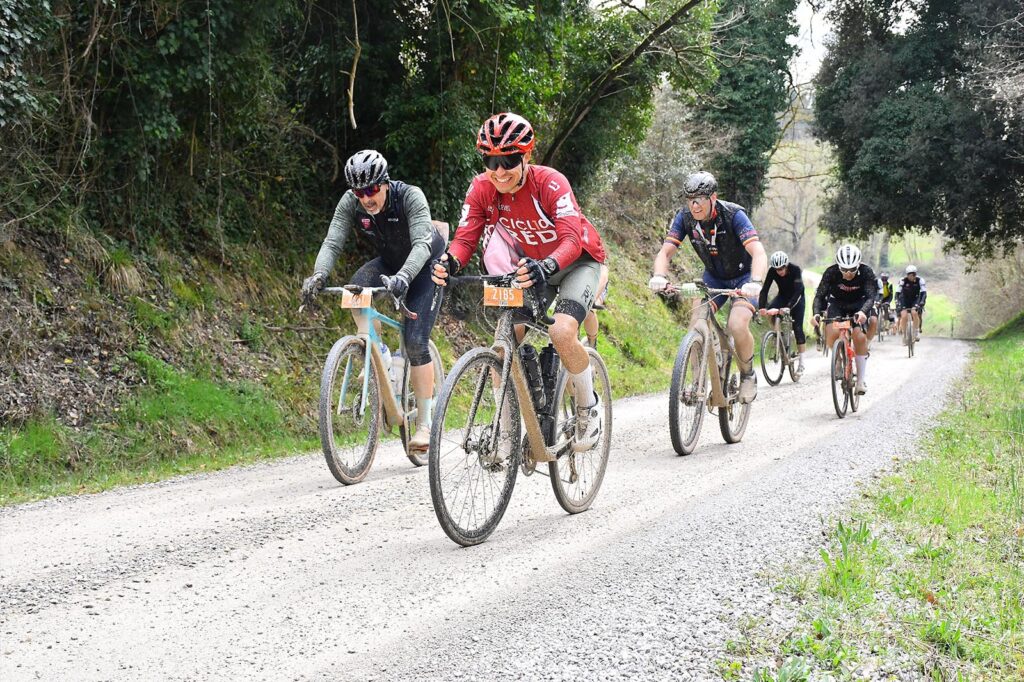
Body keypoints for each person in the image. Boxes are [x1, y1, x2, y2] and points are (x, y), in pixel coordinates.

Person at [431, 112, 608, 452]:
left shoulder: (550, 182)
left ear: (527, 156)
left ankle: (588, 408)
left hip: (579, 262)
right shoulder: (482, 188)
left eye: (509, 160)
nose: (499, 171)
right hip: (531, 267)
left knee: (560, 332)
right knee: (504, 339)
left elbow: (571, 239)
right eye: (491, 161)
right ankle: (508, 432)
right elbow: (466, 238)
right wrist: (449, 261)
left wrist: (547, 265)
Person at [301, 150, 445, 451]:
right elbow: (333, 240)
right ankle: (378, 351)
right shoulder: (351, 202)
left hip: (425, 267)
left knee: (416, 342)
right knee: (355, 291)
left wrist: (404, 277)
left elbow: (421, 244)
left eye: (371, 190)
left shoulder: (409, 196)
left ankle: (425, 426)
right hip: (390, 262)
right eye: (359, 192)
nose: (366, 198)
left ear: (385, 183)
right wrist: (318, 276)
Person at [648, 171, 767, 403]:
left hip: (744, 277)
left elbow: (758, 252)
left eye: (699, 199)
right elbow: (666, 252)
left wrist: (756, 282)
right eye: (689, 199)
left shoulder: (734, 215)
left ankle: (747, 375)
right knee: (696, 321)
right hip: (713, 278)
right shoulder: (685, 217)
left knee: (736, 323)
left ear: (713, 197)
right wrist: (659, 275)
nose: (694, 205)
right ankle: (696, 382)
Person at [811, 244, 878, 394]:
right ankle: (838, 358)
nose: (848, 273)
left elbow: (871, 296)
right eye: (844, 270)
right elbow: (820, 296)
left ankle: (860, 381)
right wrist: (816, 313)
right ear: (838, 266)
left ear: (858, 265)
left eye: (852, 269)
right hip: (838, 304)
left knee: (859, 336)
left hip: (859, 304)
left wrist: (862, 312)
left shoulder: (866, 272)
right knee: (830, 330)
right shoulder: (831, 272)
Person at [757, 250, 807, 374]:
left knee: (798, 327)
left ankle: (802, 363)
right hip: (782, 296)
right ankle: (779, 335)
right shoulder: (772, 271)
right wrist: (762, 307)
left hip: (797, 298)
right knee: (770, 312)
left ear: (786, 265)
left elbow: (799, 290)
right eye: (777, 269)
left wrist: (789, 307)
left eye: (782, 268)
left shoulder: (795, 269)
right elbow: (764, 290)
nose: (780, 271)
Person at [896, 265, 927, 342]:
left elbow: (923, 293)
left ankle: (916, 331)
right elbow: (897, 293)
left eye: (914, 275)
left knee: (914, 312)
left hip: (915, 299)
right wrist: (897, 302)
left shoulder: (920, 280)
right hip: (904, 299)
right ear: (907, 275)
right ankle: (904, 334)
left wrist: (922, 301)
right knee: (904, 316)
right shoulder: (903, 280)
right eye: (910, 275)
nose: (912, 277)